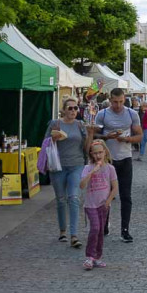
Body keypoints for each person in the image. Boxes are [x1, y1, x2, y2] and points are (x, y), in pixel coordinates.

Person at [89, 88, 141, 243]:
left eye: (121, 102)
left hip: (125, 158)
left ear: (124, 99)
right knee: (104, 195)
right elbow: (94, 135)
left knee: (126, 196)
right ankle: (104, 224)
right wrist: (107, 136)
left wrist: (128, 140)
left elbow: (139, 136)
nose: (118, 105)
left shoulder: (132, 114)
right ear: (110, 100)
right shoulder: (102, 114)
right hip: (107, 161)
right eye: (115, 102)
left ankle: (125, 230)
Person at [47, 98, 89, 249]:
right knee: (60, 199)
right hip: (58, 166)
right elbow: (45, 143)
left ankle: (74, 235)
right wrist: (53, 138)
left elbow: (85, 146)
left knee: (73, 197)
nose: (73, 111)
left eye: (75, 108)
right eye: (70, 108)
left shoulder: (80, 125)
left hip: (76, 165)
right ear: (63, 109)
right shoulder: (55, 124)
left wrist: (89, 135)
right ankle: (62, 230)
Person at [79, 141, 118, 270]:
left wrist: (108, 201)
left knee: (101, 231)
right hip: (91, 204)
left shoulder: (110, 168)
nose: (98, 155)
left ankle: (97, 257)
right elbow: (82, 185)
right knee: (95, 228)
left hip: (104, 204)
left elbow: (115, 187)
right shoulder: (87, 168)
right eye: (95, 153)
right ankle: (89, 256)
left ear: (105, 152)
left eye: (100, 152)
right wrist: (92, 172)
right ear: (91, 154)